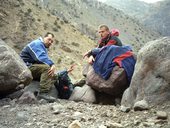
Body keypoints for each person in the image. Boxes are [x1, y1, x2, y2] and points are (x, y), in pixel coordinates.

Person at [20, 32, 57, 102]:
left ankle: (37, 90)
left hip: (32, 67)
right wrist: (52, 64)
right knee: (47, 69)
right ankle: (43, 93)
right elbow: (40, 58)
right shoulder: (37, 43)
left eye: (52, 41)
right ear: (44, 38)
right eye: (49, 39)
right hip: (25, 67)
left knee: (53, 75)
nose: (50, 42)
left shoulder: (43, 47)